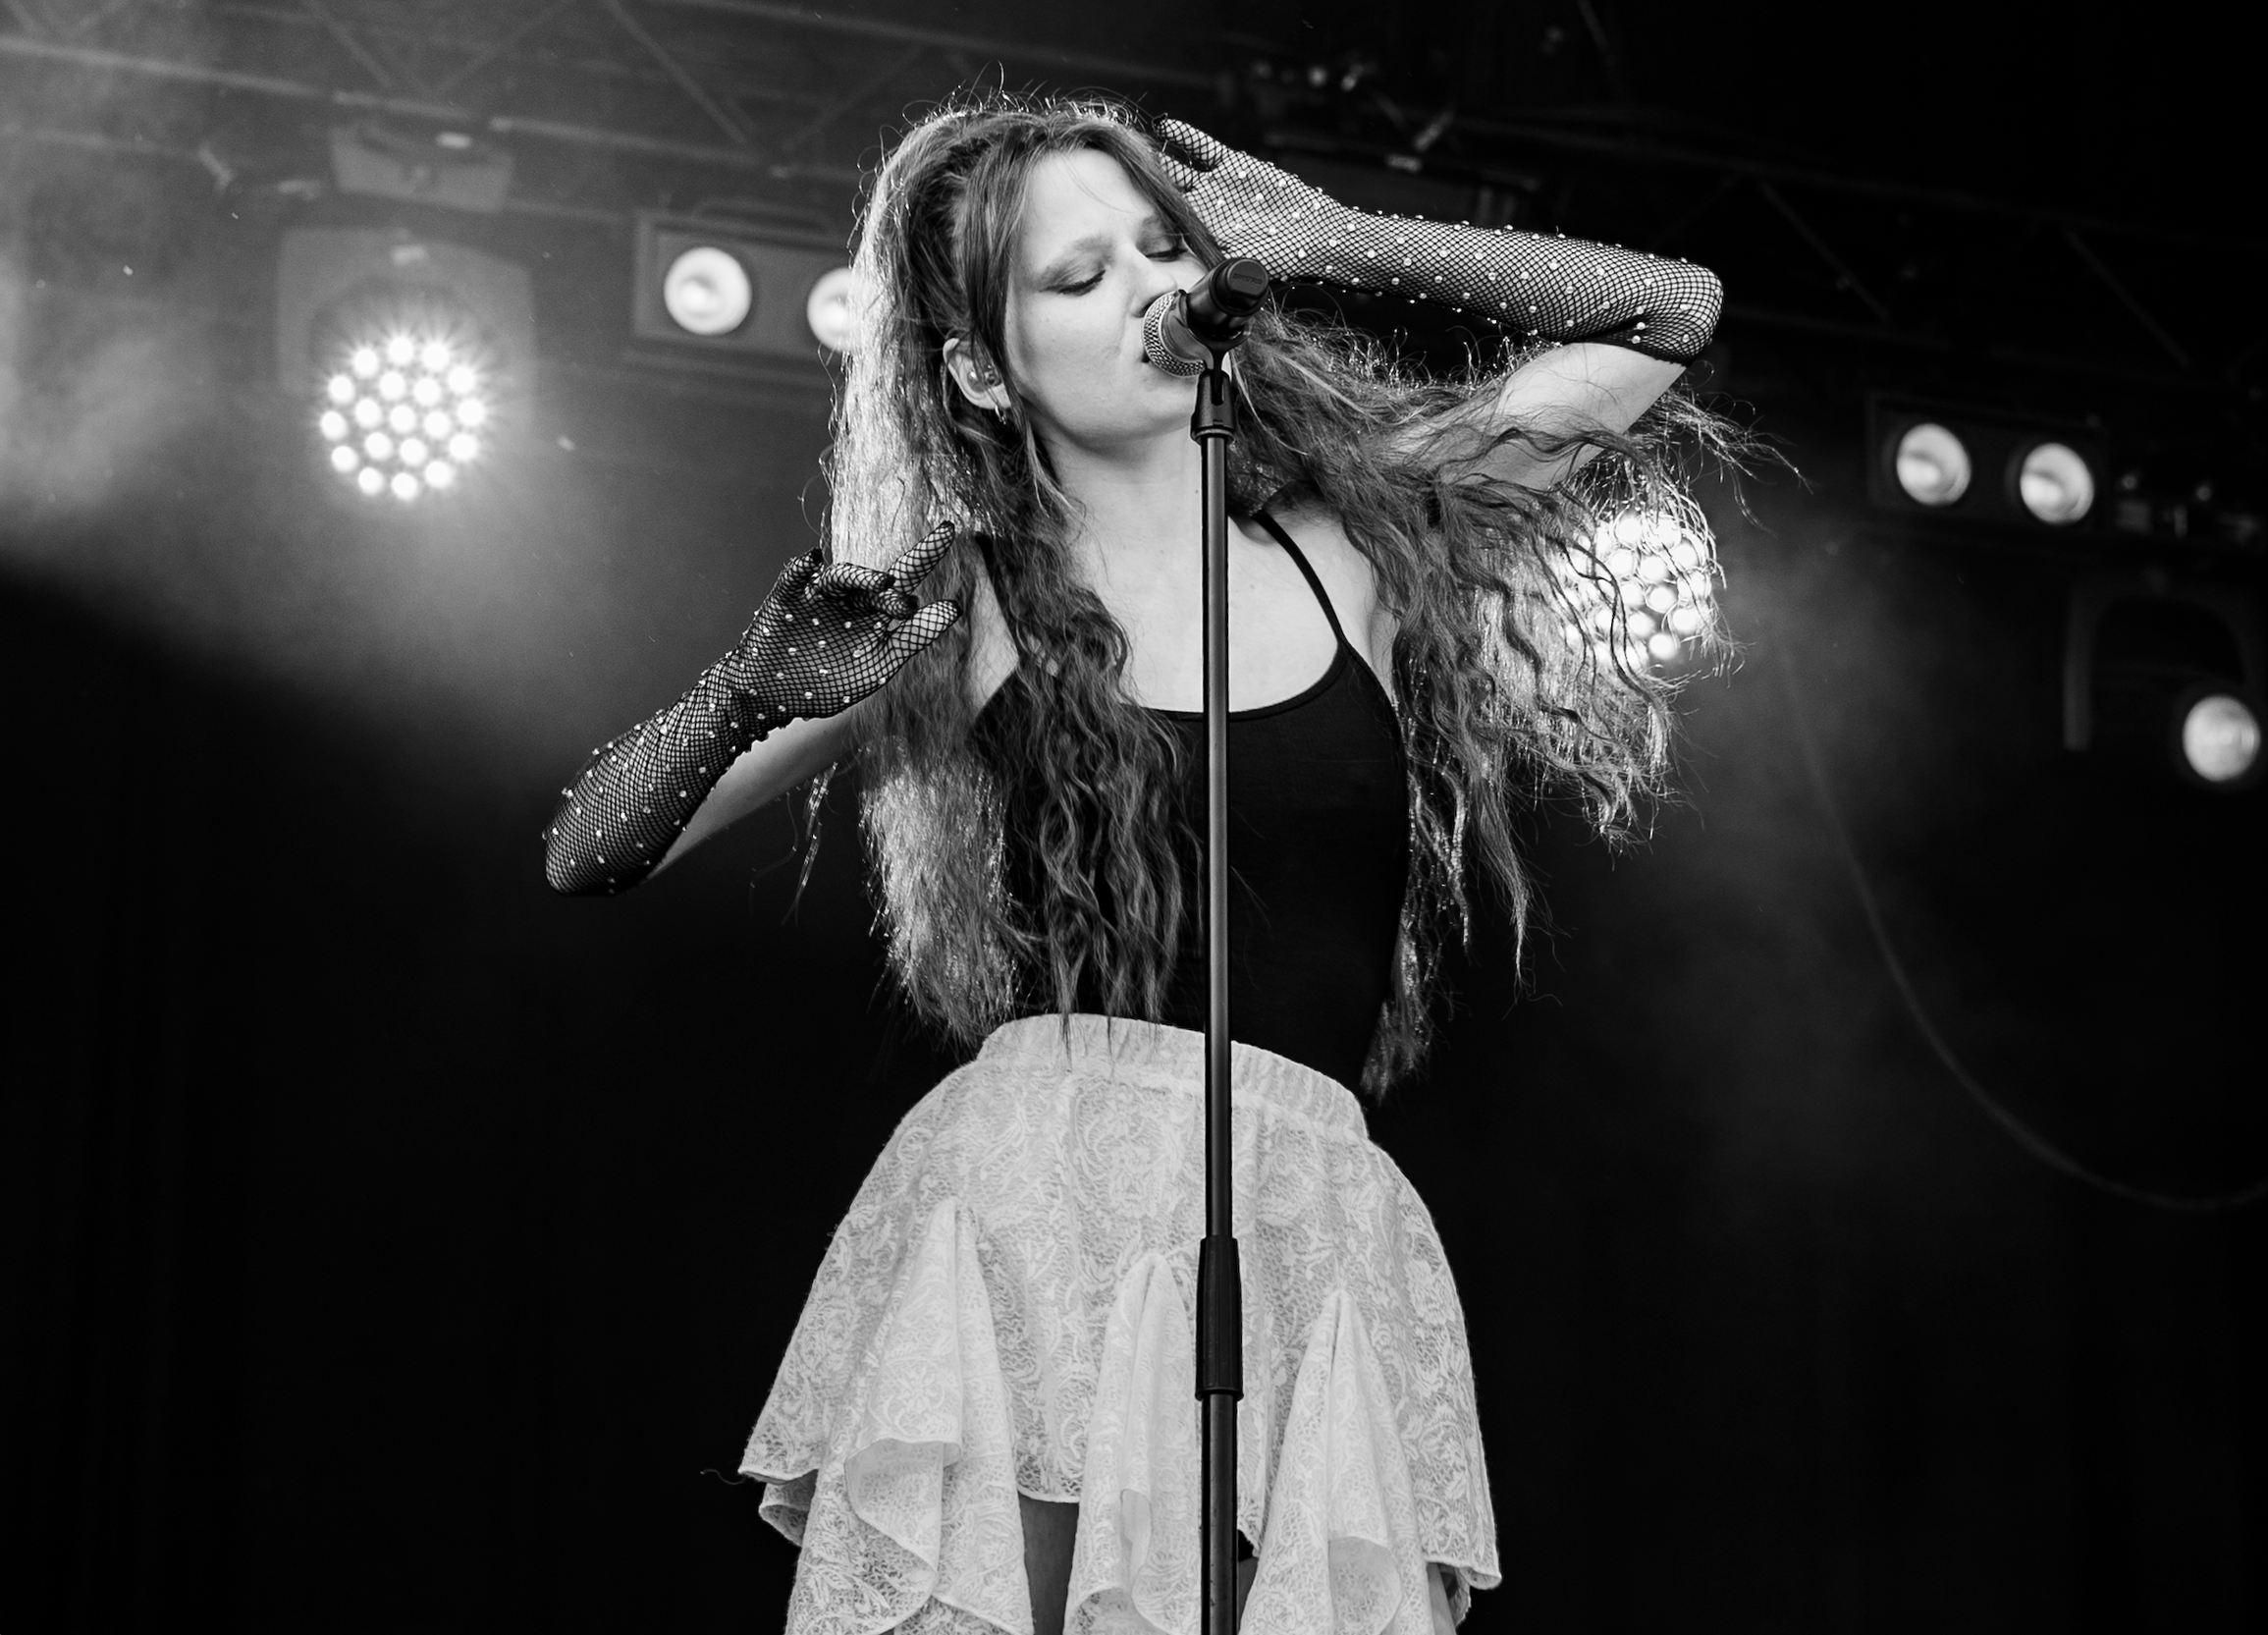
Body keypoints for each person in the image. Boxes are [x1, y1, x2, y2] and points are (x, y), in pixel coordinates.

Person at [546, 93, 1728, 1635]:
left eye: (1165, 246)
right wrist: (748, 697)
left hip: (1301, 1204)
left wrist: (1337, 241)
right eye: (1077, 276)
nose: (1150, 292)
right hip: (1047, 1201)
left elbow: (1667, 313)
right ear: (980, 365)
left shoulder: (1350, 542)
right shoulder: (960, 603)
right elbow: (593, 848)